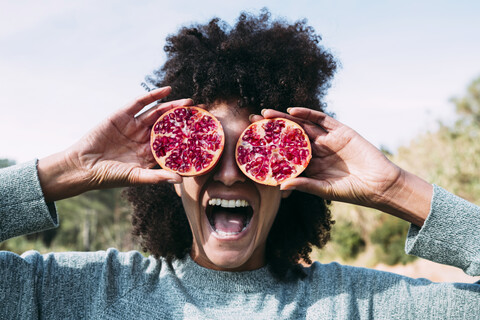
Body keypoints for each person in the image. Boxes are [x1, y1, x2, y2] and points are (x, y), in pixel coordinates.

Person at [1, 10, 479, 319]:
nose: (229, 173)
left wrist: (395, 188)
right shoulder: (80, 294)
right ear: (170, 174)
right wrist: (66, 170)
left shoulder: (359, 305)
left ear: (290, 179)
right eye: (202, 153)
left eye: (257, 153)